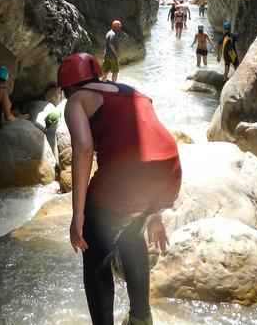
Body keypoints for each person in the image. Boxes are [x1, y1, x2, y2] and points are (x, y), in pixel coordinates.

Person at [59, 52, 181, 325]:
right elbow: (149, 144)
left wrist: (79, 214)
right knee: (130, 234)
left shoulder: (76, 100)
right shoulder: (134, 92)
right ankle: (141, 318)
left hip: (126, 178)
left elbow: (83, 149)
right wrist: (154, 213)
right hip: (169, 170)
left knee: (95, 256)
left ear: (68, 87)